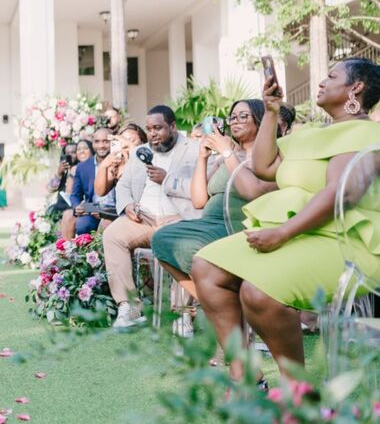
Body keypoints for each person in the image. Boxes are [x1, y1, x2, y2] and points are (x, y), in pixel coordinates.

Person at [192, 59, 380, 382]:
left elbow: (342, 194)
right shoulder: (311, 134)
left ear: (356, 87)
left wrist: (282, 233)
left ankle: (297, 389)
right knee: (205, 266)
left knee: (258, 291)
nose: (321, 82)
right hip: (301, 233)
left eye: (331, 76)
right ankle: (245, 377)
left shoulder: (367, 132)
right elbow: (264, 167)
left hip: (346, 239)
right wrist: (271, 111)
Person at [151, 100, 280, 337]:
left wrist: (228, 152)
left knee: (198, 252)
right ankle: (220, 305)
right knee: (161, 239)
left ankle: (226, 309)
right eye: (233, 117)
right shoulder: (225, 156)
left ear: (260, 120)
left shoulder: (269, 156)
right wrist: (203, 157)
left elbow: (252, 192)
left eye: (243, 116)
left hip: (237, 225)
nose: (235, 121)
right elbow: (199, 200)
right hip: (208, 223)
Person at [105, 105, 200, 328]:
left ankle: (183, 313)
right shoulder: (141, 152)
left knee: (180, 245)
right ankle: (129, 307)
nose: (153, 134)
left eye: (158, 128)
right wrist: (128, 205)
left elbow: (201, 189)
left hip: (178, 219)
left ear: (173, 127)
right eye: (149, 129)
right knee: (112, 236)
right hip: (144, 218)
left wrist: (167, 179)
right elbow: (123, 186)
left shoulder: (194, 150)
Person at [61, 129, 113, 238]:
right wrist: (77, 207)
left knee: (106, 224)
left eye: (106, 141)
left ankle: (99, 249)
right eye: (97, 141)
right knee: (76, 220)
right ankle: (67, 248)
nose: (101, 146)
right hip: (93, 207)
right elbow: (75, 195)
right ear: (92, 143)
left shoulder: (119, 161)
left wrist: (106, 212)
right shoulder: (82, 167)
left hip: (113, 208)